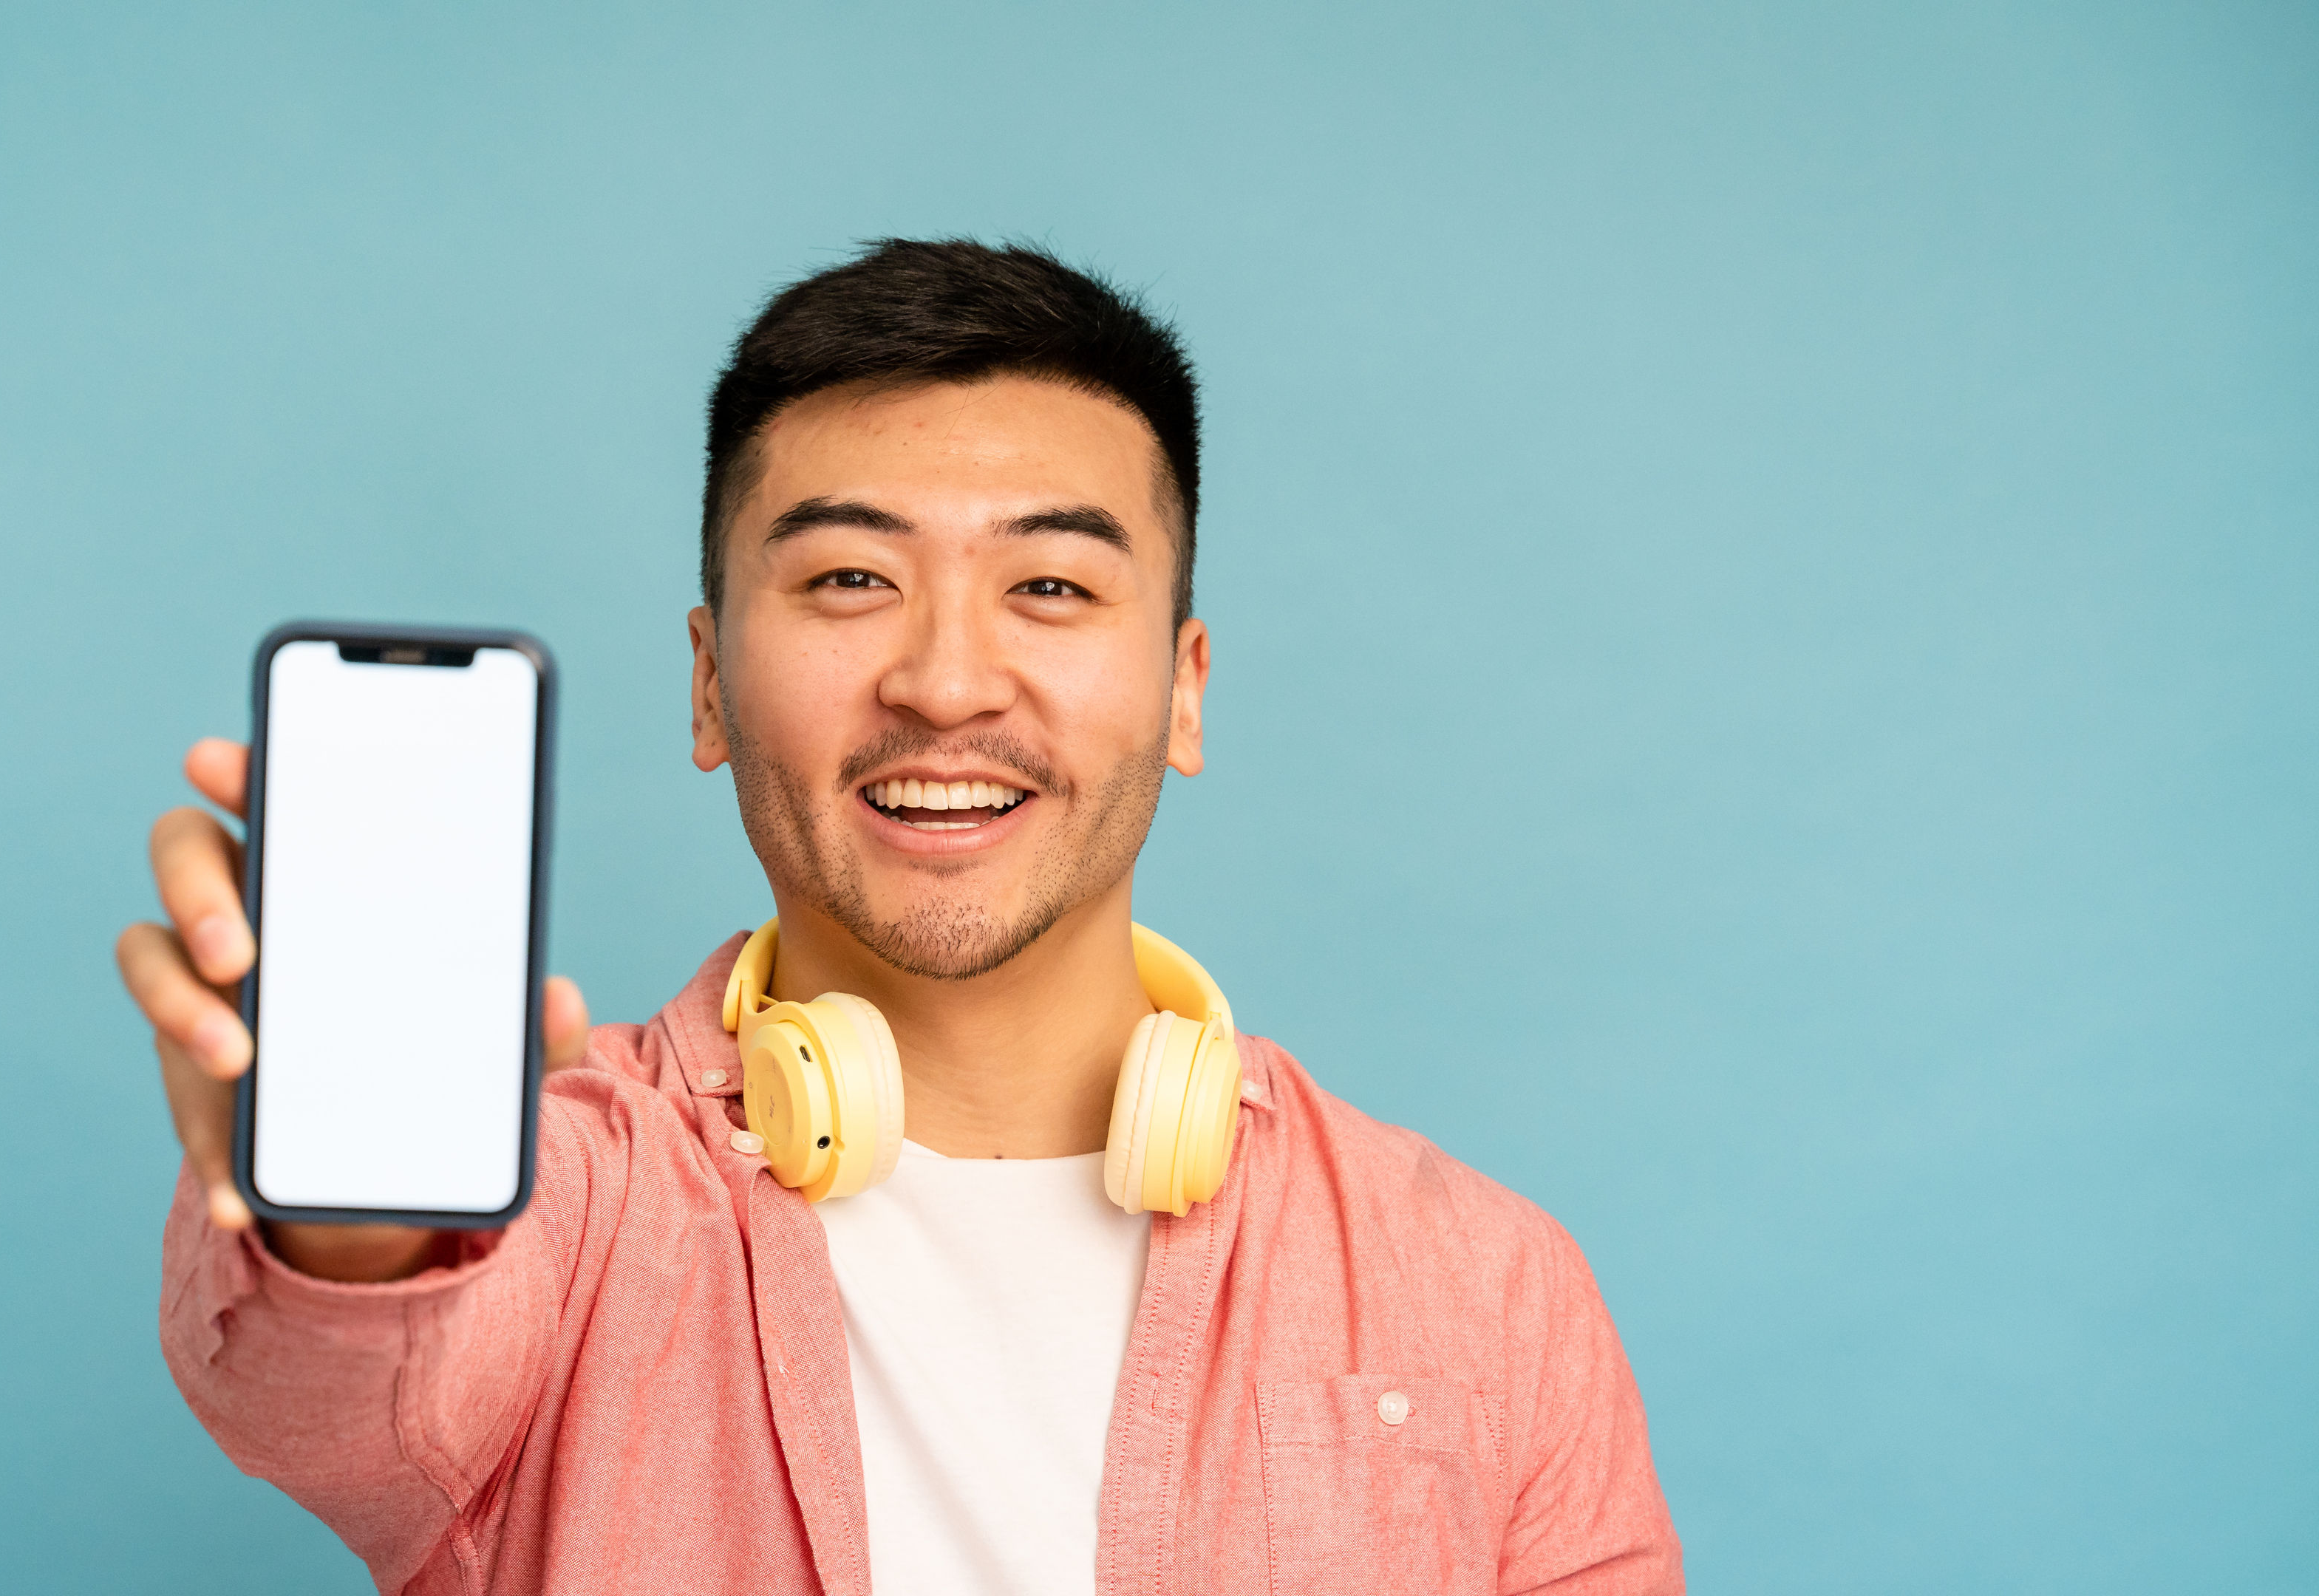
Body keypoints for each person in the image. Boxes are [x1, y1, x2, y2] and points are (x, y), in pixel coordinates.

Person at [115, 239, 1683, 1595]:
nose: (944, 682)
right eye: (852, 580)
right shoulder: (562, 1212)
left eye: (1052, 590)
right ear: (711, 683)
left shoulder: (1489, 1289)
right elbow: (335, 1374)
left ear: (1186, 687)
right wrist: (340, 1183)